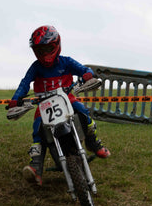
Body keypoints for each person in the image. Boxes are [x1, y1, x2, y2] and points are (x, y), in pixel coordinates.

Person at [8, 25, 111, 186]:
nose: (45, 53)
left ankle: (93, 142)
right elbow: (25, 83)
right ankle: (36, 166)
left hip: (67, 98)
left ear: (57, 45)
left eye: (49, 48)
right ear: (35, 51)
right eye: (41, 50)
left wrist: (87, 74)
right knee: (37, 128)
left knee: (84, 112)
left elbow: (83, 69)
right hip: (43, 105)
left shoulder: (66, 62)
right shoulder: (36, 67)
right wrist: (16, 98)